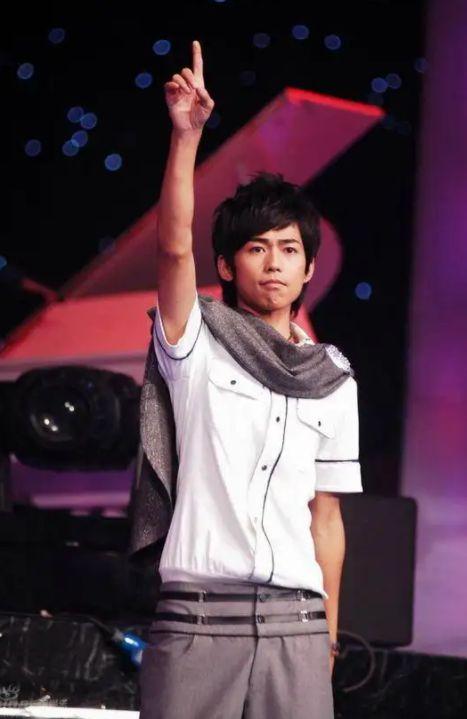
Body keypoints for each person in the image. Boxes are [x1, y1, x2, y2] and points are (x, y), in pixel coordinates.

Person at [137, 39, 363, 719]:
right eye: (256, 248)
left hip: (298, 628)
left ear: (308, 268)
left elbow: (327, 519)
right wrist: (186, 137)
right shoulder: (196, 342)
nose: (273, 262)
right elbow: (172, 247)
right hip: (198, 620)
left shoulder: (333, 377)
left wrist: (327, 637)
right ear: (227, 265)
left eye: (289, 249)